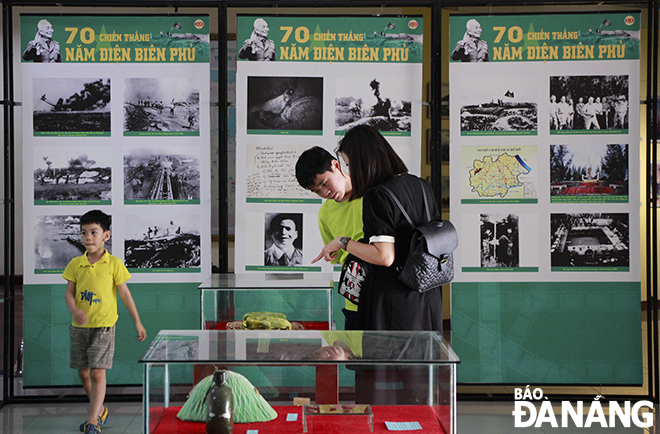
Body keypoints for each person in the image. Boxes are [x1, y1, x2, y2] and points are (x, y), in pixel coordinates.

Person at [313, 125, 443, 333]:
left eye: (350, 164)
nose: (352, 171)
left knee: (383, 364)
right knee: (423, 363)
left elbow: (384, 257)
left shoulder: (377, 195)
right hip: (428, 295)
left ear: (363, 160)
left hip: (393, 303)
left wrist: (342, 242)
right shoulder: (419, 184)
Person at [63, 210, 146, 434]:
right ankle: (100, 411)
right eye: (83, 233)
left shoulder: (114, 264)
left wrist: (137, 322)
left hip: (104, 326)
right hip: (79, 327)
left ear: (105, 236)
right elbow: (69, 293)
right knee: (83, 373)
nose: (88, 237)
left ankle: (92, 420)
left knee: (98, 373)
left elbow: (125, 294)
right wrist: (74, 309)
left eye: (93, 232)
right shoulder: (75, 264)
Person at [295, 146, 363, 330]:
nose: (325, 193)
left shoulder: (372, 193)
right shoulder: (325, 214)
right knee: (356, 356)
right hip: (354, 299)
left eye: (325, 183)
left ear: (336, 165)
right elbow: (338, 258)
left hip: (387, 292)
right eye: (317, 191)